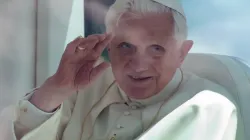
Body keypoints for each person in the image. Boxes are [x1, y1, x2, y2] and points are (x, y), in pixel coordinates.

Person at [0, 0, 244, 139]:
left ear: (182, 53)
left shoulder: (209, 109)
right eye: (125, 46)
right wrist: (55, 90)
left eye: (156, 48)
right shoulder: (84, 90)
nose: (138, 65)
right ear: (108, 47)